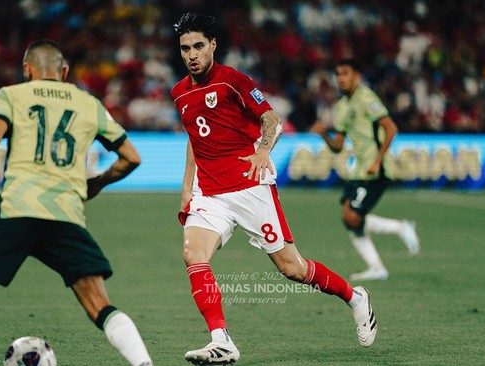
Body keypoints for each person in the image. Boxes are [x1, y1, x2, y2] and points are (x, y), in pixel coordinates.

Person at [0, 40, 153, 366]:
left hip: (17, 208)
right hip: (65, 214)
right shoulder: (88, 103)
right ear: (64, 72)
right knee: (99, 304)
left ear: (27, 70)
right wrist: (97, 182)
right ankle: (145, 364)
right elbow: (131, 157)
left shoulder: (12, 95)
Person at [170, 12, 377, 365]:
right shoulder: (179, 93)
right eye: (186, 48)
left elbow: (271, 119)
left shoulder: (233, 80)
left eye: (199, 46)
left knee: (292, 268)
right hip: (211, 195)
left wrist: (263, 150)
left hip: (251, 186)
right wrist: (187, 187)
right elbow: (195, 139)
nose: (192, 54)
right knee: (194, 255)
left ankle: (355, 297)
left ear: (213, 45)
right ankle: (221, 341)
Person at [310, 58, 420, 282]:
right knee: (348, 217)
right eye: (338, 74)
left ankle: (400, 227)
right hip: (359, 169)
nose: (341, 78)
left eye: (346, 73)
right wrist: (323, 134)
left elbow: (390, 128)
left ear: (356, 76)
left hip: (375, 168)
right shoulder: (341, 107)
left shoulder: (366, 98)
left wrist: (378, 160)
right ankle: (377, 267)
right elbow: (339, 146)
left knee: (353, 217)